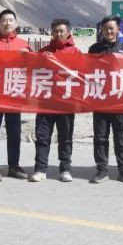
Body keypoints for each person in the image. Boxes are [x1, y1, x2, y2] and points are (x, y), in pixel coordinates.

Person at [0, 9, 30, 182]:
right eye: (4, 20)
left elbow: (33, 68)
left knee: (14, 131)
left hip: (14, 94)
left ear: (16, 23)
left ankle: (14, 166)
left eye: (11, 20)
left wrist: (29, 57)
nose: (8, 23)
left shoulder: (23, 44)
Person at [29, 18, 79, 183]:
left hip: (66, 102)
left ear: (68, 32)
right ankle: (41, 169)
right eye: (55, 31)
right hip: (45, 102)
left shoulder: (75, 53)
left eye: (61, 31)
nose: (58, 34)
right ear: (51, 32)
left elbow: (82, 75)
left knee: (65, 137)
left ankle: (65, 169)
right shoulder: (44, 51)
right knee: (42, 136)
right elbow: (31, 69)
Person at [87, 16, 123, 184]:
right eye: (105, 28)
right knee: (100, 137)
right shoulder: (94, 49)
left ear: (118, 30)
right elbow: (87, 72)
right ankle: (102, 170)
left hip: (120, 101)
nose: (108, 31)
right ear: (102, 30)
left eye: (111, 28)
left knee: (121, 137)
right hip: (100, 100)